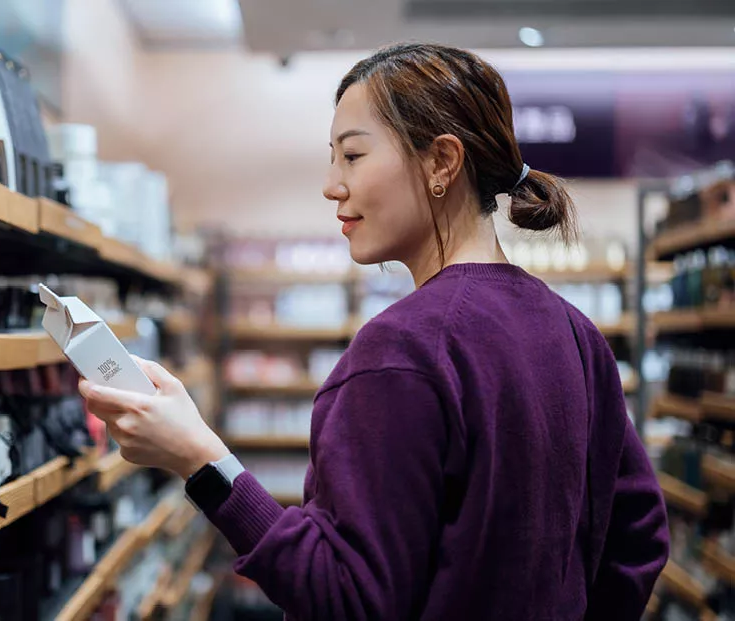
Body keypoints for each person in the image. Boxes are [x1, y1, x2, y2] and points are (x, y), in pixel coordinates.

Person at [79, 43, 669, 620]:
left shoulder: (405, 349)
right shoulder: (574, 331)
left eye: (353, 157)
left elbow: (344, 597)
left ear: (442, 162)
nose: (332, 185)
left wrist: (200, 459)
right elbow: (639, 534)